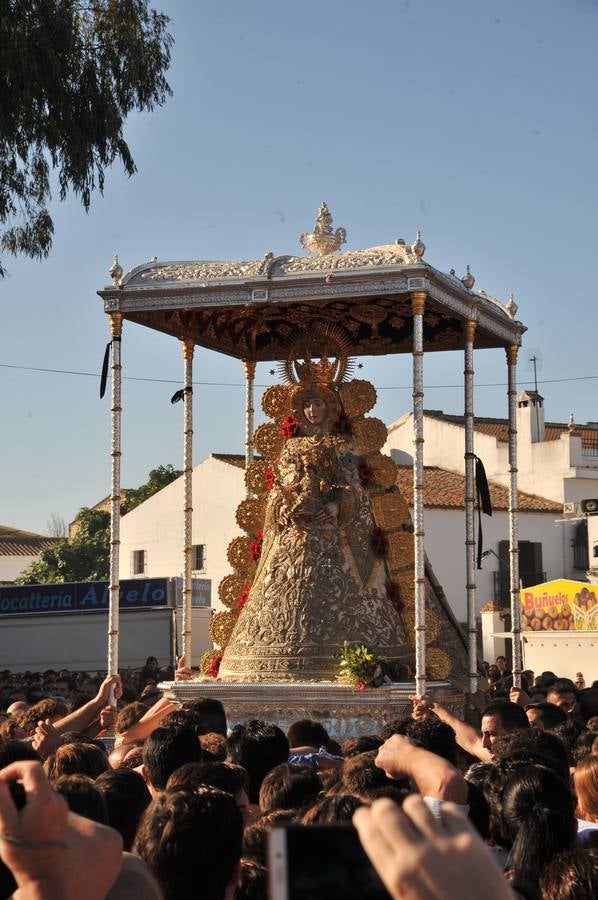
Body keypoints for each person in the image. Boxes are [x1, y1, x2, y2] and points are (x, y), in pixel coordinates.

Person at [218, 360, 412, 681]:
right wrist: (279, 507)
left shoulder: (343, 444)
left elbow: (354, 487)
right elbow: (281, 486)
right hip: (292, 538)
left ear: (330, 406)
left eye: (317, 403)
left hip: (333, 535)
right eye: (306, 404)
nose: (311, 410)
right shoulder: (290, 447)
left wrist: (337, 506)